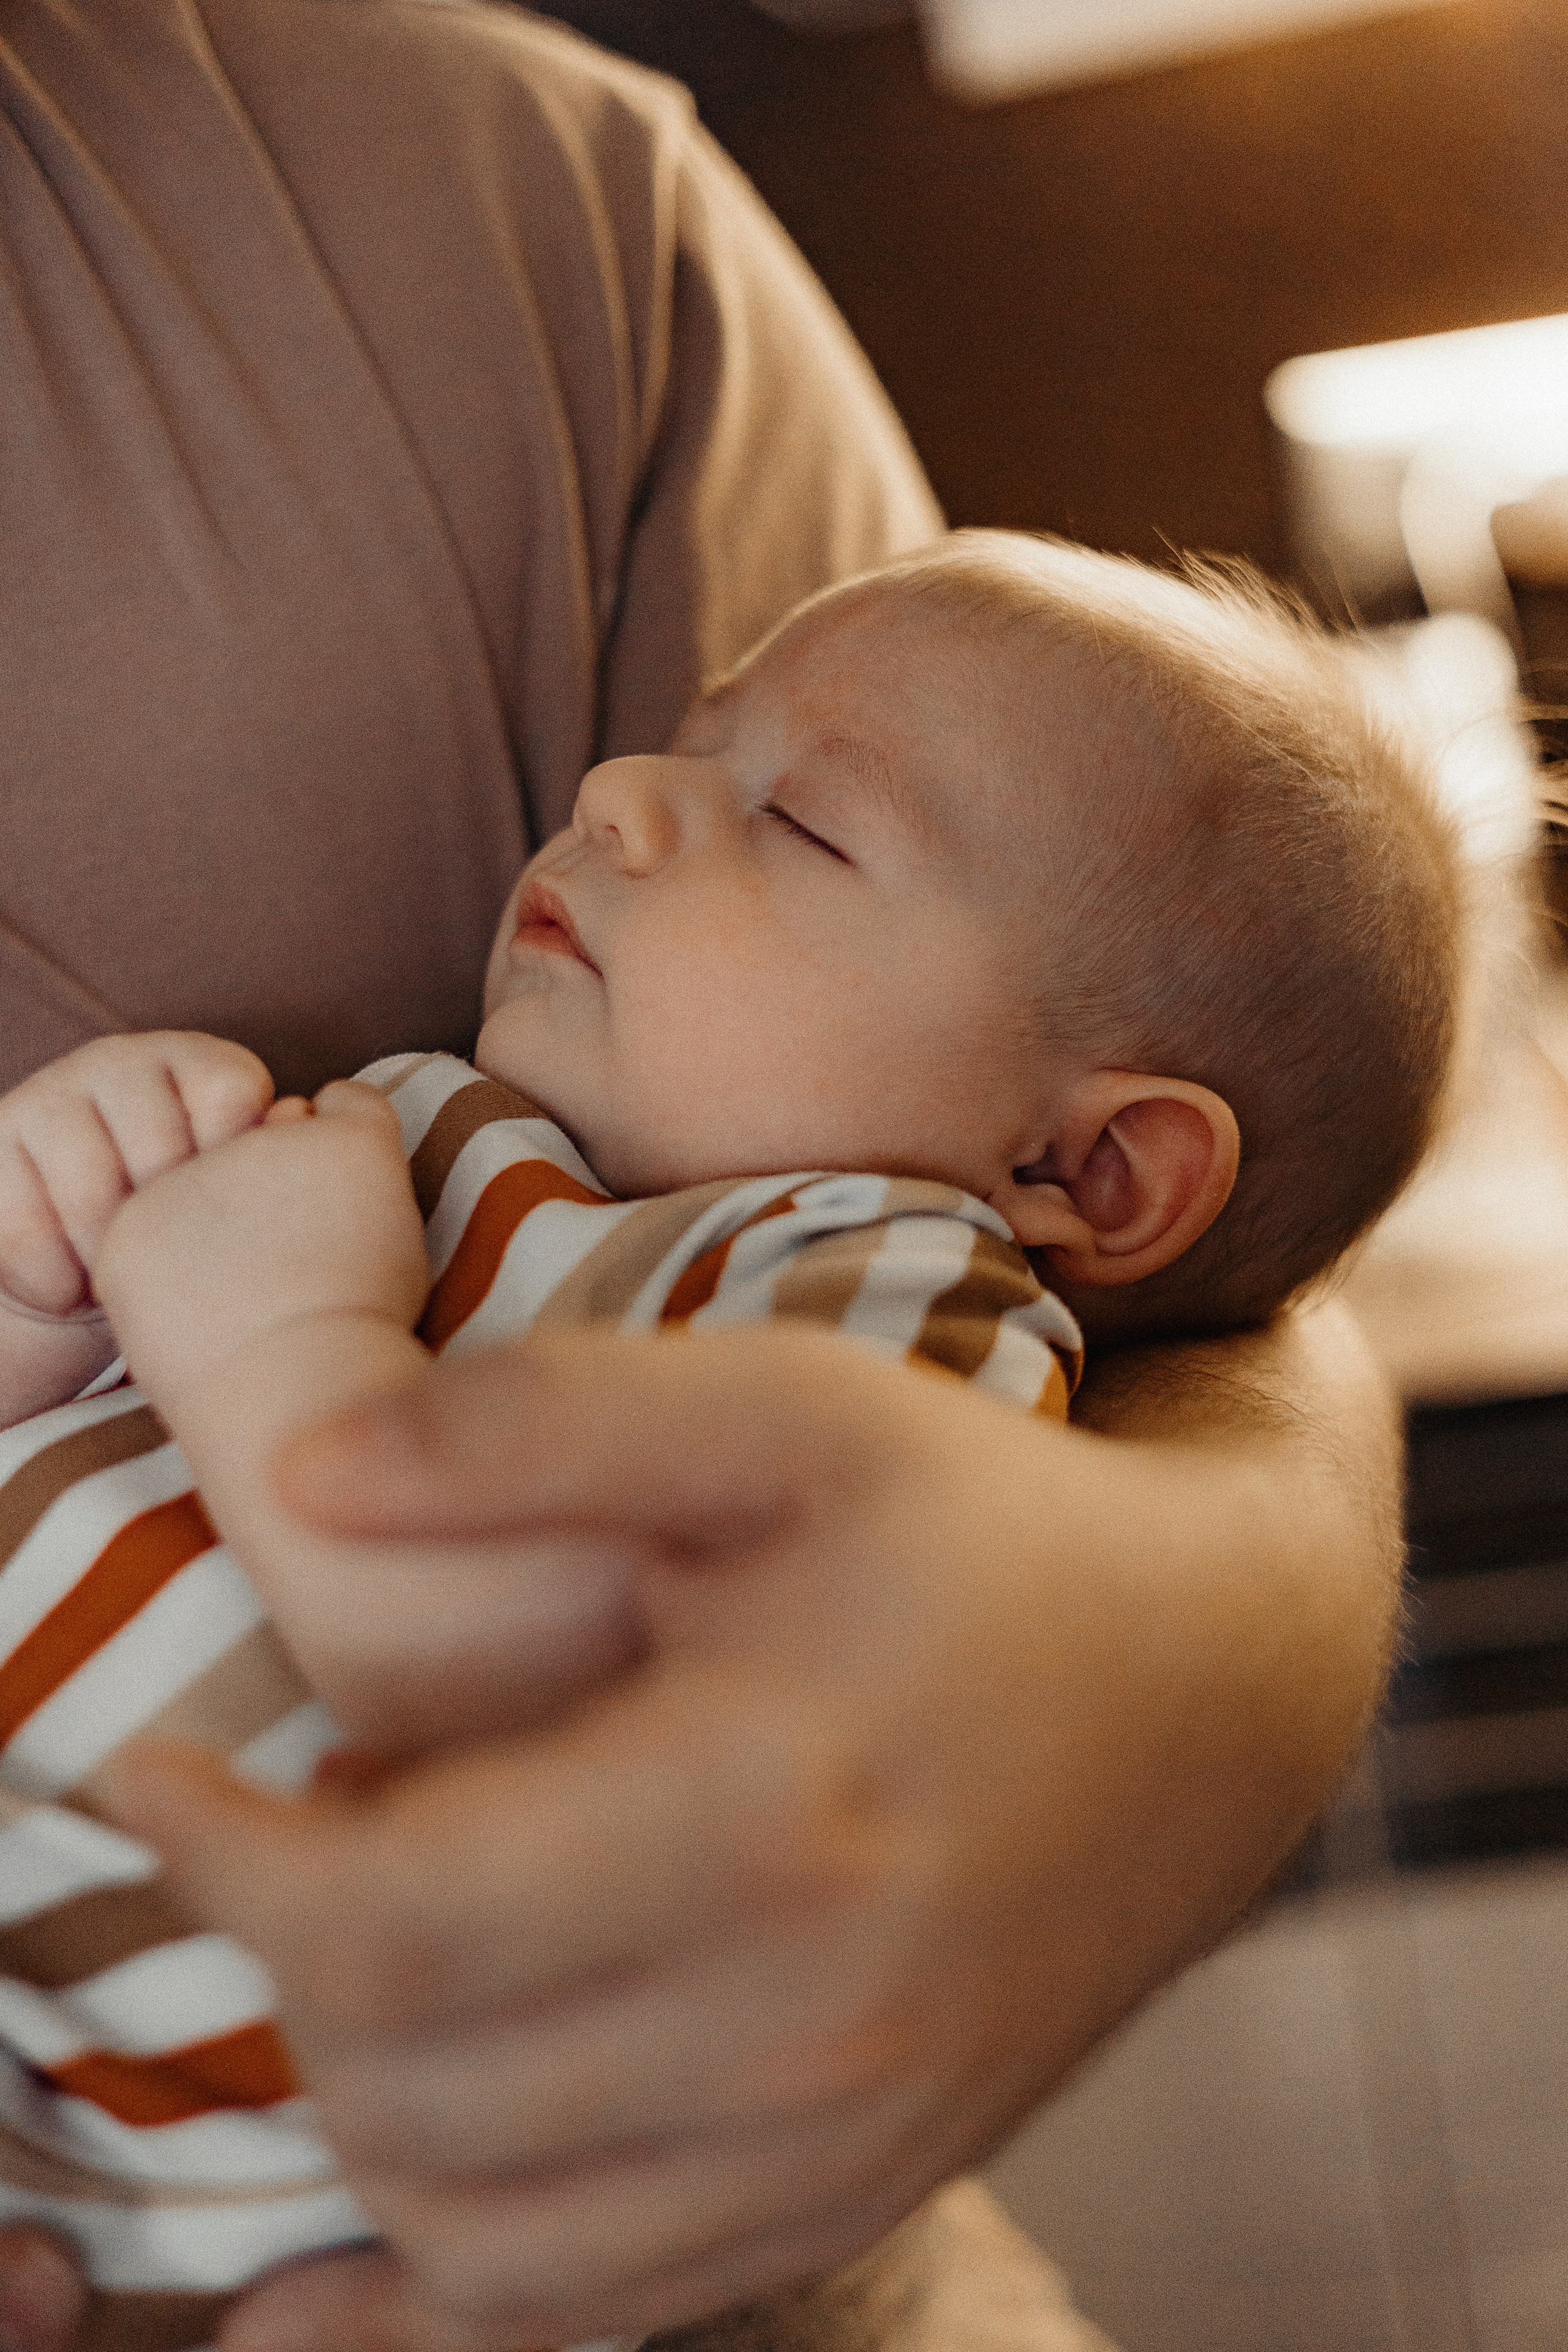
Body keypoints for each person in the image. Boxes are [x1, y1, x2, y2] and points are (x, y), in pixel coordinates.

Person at [0, 2, 1411, 2346]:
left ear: (1089, 1168)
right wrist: (133, 1309)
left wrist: (242, 1344)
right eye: (683, 736)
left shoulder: (866, 1280)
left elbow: (541, 1691)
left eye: (798, 811)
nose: (625, 798)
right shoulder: (471, 1151)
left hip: (328, 2182)